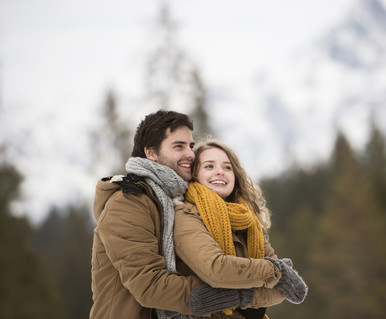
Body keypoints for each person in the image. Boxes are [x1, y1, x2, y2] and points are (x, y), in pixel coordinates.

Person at [90, 110, 274, 319]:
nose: (190, 154)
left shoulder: (180, 201)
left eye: (191, 146)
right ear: (151, 152)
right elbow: (150, 285)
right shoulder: (127, 203)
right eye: (179, 146)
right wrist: (238, 289)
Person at [171, 139, 308, 318]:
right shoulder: (187, 214)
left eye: (227, 167)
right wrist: (278, 271)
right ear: (195, 175)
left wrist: (240, 296)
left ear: (235, 176)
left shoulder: (248, 220)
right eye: (209, 166)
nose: (220, 171)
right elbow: (216, 269)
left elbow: (279, 292)